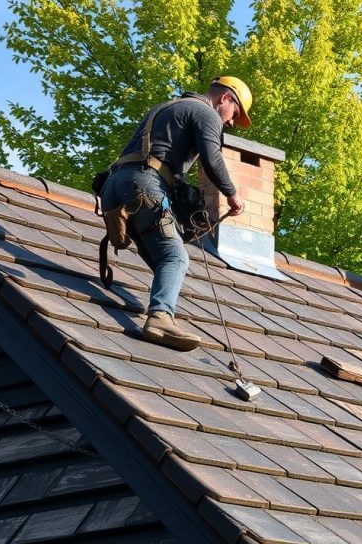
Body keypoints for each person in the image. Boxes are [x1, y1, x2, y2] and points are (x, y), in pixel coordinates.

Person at [99, 76, 252, 350]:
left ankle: (161, 307)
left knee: (163, 259)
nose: (230, 122)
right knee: (176, 256)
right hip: (144, 183)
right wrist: (232, 193)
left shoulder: (170, 106)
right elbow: (212, 157)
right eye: (235, 114)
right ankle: (160, 317)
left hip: (115, 185)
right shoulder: (207, 113)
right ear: (225, 98)